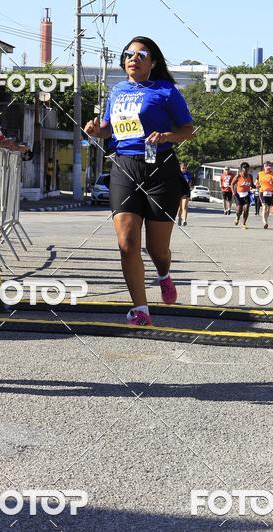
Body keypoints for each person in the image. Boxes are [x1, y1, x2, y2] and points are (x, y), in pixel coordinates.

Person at [83, 36, 193, 327]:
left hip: (160, 169)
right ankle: (140, 309)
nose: (133, 58)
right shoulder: (116, 90)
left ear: (153, 62)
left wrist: (166, 136)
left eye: (141, 54)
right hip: (124, 167)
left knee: (158, 250)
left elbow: (187, 130)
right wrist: (96, 129)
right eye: (128, 54)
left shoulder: (166, 91)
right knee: (127, 242)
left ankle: (164, 275)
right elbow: (109, 130)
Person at [257, 161, 273, 229]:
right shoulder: (260, 174)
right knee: (264, 207)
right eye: (267, 167)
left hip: (270, 193)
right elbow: (256, 182)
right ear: (264, 167)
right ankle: (264, 222)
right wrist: (256, 185)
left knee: (268, 209)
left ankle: (266, 220)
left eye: (269, 167)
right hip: (262, 192)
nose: (268, 169)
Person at [232, 162, 254, 229]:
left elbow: (252, 185)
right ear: (242, 169)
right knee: (239, 210)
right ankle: (237, 217)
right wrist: (233, 192)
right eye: (244, 168)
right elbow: (232, 184)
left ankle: (244, 224)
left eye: (247, 168)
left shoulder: (250, 176)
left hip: (246, 194)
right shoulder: (238, 176)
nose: (246, 169)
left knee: (246, 209)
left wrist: (257, 186)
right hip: (238, 195)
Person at [177, 161, 192, 227]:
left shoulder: (188, 174)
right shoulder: (178, 174)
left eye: (185, 168)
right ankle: (179, 218)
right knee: (180, 208)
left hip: (186, 192)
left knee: (184, 207)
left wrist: (189, 185)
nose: (184, 169)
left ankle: (184, 220)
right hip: (179, 191)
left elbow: (190, 182)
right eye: (183, 168)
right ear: (180, 168)